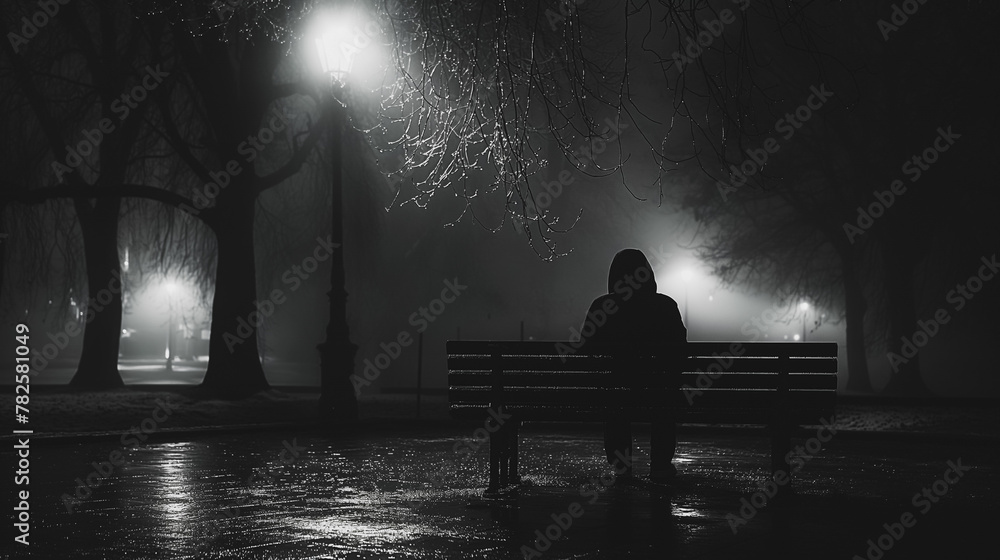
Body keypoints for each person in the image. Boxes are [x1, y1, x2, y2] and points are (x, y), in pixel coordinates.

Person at [580, 248, 687, 481]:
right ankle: (660, 464)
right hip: (658, 391)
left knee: (616, 402)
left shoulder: (602, 307)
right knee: (664, 403)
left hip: (617, 391)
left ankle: (621, 467)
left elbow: (585, 350)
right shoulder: (665, 306)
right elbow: (681, 351)